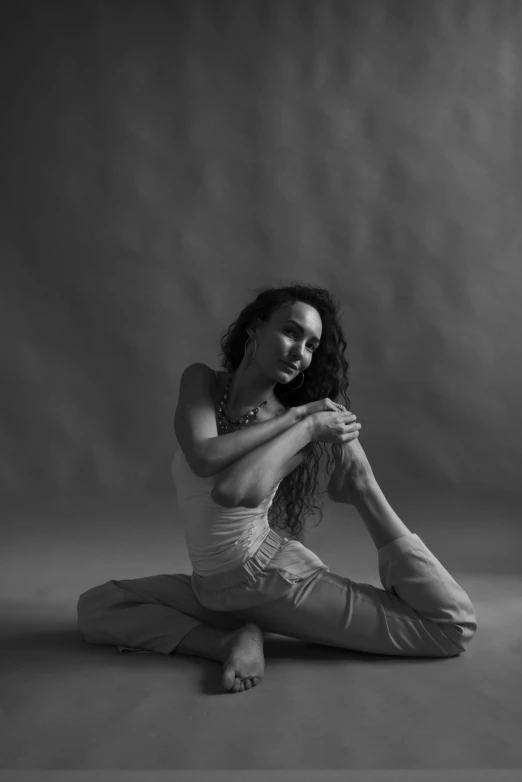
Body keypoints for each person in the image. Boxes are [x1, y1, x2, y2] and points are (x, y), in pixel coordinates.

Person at [77, 283, 477, 694]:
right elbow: (202, 455)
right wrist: (303, 418)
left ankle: (363, 488)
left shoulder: (296, 434)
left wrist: (302, 426)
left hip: (270, 579)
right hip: (209, 587)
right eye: (290, 332)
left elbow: (231, 491)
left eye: (310, 346)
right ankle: (228, 641)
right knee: (98, 606)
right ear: (255, 327)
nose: (299, 352)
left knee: (449, 628)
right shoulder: (202, 382)